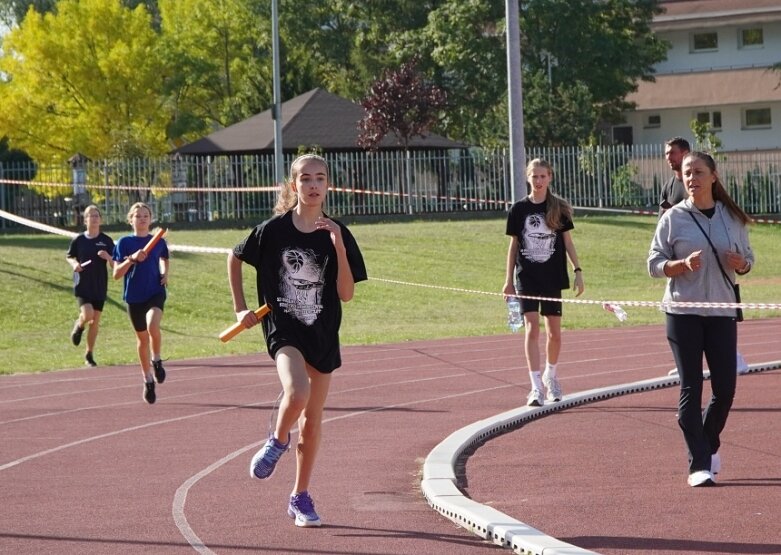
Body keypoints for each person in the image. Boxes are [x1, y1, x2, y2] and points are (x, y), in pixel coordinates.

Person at [227, 154, 367, 527]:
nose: (313, 184)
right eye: (305, 179)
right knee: (297, 391)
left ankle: (300, 496)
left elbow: (347, 294)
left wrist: (337, 244)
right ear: (294, 186)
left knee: (313, 421)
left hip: (322, 331)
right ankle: (276, 441)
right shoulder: (273, 231)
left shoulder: (339, 232)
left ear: (328, 186)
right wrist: (241, 308)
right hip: (284, 328)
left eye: (320, 178)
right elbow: (234, 257)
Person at [648, 151, 754, 487]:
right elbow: (653, 263)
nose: (692, 178)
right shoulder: (673, 218)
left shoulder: (732, 217)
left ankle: (708, 444)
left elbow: (749, 259)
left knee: (725, 389)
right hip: (683, 312)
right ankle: (698, 464)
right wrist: (679, 266)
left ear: (713, 176)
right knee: (691, 387)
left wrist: (742, 263)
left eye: (698, 172)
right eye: (686, 173)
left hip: (721, 312)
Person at [503, 158, 585, 407]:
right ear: (528, 178)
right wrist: (508, 281)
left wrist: (578, 270)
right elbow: (513, 246)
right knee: (531, 328)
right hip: (527, 276)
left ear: (550, 177)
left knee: (554, 333)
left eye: (543, 176)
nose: (538, 181)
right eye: (534, 176)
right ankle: (535, 386)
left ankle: (552, 374)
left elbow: (568, 242)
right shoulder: (518, 210)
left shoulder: (557, 208)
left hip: (552, 277)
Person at [112, 202, 170, 404]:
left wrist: (165, 273)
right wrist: (132, 260)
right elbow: (116, 274)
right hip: (134, 297)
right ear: (131, 220)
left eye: (146, 216)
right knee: (142, 339)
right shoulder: (123, 243)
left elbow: (164, 258)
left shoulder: (157, 241)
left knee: (153, 324)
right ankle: (147, 379)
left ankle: (157, 359)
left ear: (150, 219)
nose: (142, 219)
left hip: (155, 291)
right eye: (138, 216)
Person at [66, 205, 114, 367]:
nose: (94, 219)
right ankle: (79, 326)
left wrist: (108, 256)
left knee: (95, 320)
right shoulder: (79, 240)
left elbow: (116, 264)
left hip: (99, 285)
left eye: (96, 216)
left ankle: (89, 354)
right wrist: (74, 264)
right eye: (91, 216)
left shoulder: (106, 241)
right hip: (83, 284)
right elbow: (70, 256)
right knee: (88, 314)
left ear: (100, 219)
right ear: (85, 219)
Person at [658, 137, 690, 217]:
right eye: (666, 154)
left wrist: (676, 211)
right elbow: (661, 222)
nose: (668, 158)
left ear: (685, 154)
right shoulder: (667, 187)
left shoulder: (698, 183)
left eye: (672, 153)